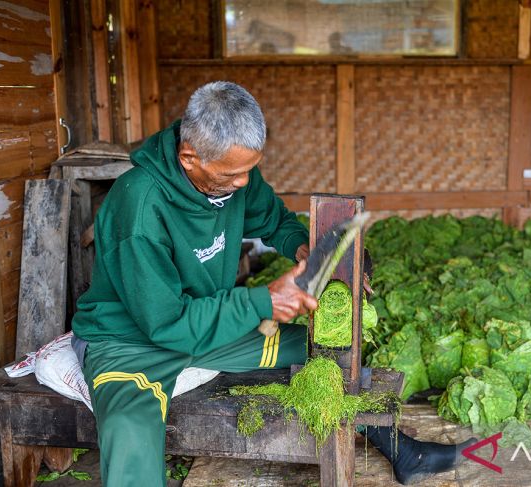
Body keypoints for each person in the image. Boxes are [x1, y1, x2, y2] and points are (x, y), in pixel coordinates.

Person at [71, 81, 475, 486]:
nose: (244, 182)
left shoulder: (231, 173)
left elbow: (275, 220)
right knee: (128, 434)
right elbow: (167, 324)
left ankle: (404, 452)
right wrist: (263, 301)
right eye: (234, 174)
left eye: (249, 169)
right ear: (190, 157)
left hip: (208, 323)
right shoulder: (139, 208)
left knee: (328, 353)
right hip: (131, 342)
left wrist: (306, 249)